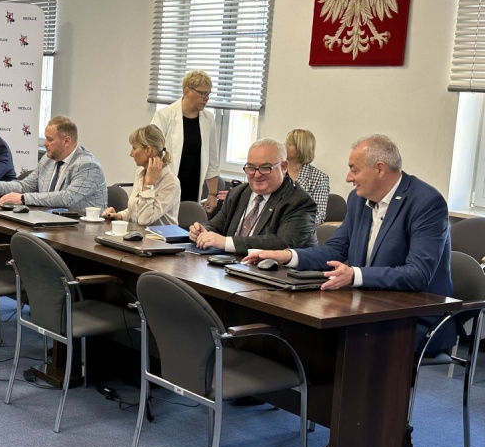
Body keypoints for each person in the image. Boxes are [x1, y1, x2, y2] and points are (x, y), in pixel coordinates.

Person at [246, 135, 455, 353]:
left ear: (380, 169)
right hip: (364, 306)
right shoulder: (358, 199)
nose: (348, 178)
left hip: (412, 318)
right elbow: (335, 249)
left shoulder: (426, 202)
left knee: (332, 344)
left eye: (354, 170)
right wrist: (288, 255)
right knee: (299, 329)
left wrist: (354, 275)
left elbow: (418, 274)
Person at [188, 138, 318, 254]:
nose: (257, 175)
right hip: (230, 266)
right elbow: (216, 225)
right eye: (250, 167)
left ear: (283, 167)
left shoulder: (300, 202)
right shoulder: (238, 193)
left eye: (265, 168)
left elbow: (283, 243)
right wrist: (202, 231)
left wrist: (226, 242)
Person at [0, 115, 106, 212]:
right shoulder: (48, 159)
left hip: (80, 230)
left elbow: (67, 198)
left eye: (50, 139)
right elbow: (25, 186)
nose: (45, 143)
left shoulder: (88, 165)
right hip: (48, 221)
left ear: (66, 141)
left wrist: (23, 199)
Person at [151, 69, 221, 214]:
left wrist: (212, 194)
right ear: (187, 91)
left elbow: (212, 160)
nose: (206, 98)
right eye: (202, 93)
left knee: (188, 222)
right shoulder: (164, 116)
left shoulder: (208, 119)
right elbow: (152, 154)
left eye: (208, 94)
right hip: (165, 185)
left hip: (193, 185)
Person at [102, 124, 180, 226]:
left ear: (148, 150)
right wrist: (120, 215)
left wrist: (149, 184)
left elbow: (144, 220)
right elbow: (136, 209)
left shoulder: (171, 183)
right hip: (139, 234)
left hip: (159, 236)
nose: (131, 154)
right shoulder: (140, 173)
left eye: (134, 148)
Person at [285, 128, 330, 224]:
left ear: (300, 149)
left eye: (289, 144)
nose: (284, 146)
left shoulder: (319, 178)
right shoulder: (275, 172)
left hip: (301, 228)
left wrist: (294, 226)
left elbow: (318, 214)